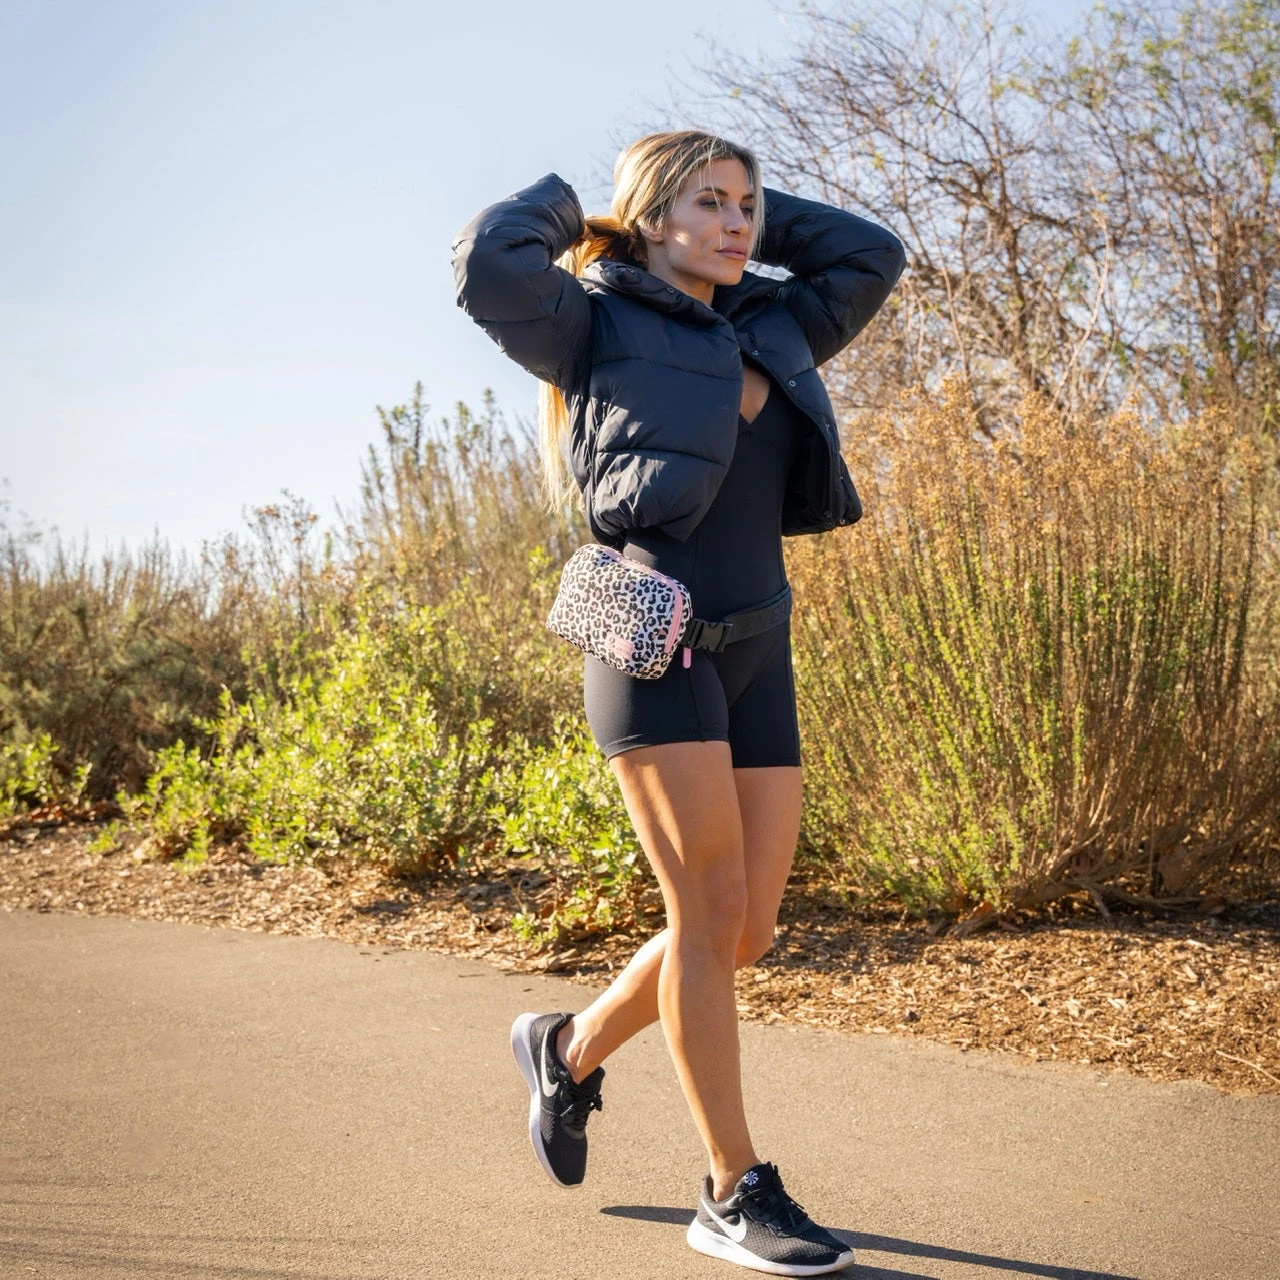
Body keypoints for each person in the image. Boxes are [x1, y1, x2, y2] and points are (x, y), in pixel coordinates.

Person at [452, 129, 905, 1277]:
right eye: (708, 204)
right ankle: (729, 1187)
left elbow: (870, 255)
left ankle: (566, 1045)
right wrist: (597, 211)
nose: (737, 224)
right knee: (703, 913)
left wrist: (742, 213)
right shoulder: (591, 324)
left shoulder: (776, 319)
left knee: (740, 928)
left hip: (760, 645)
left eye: (746, 204)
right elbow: (487, 264)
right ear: (652, 216)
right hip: (650, 644)